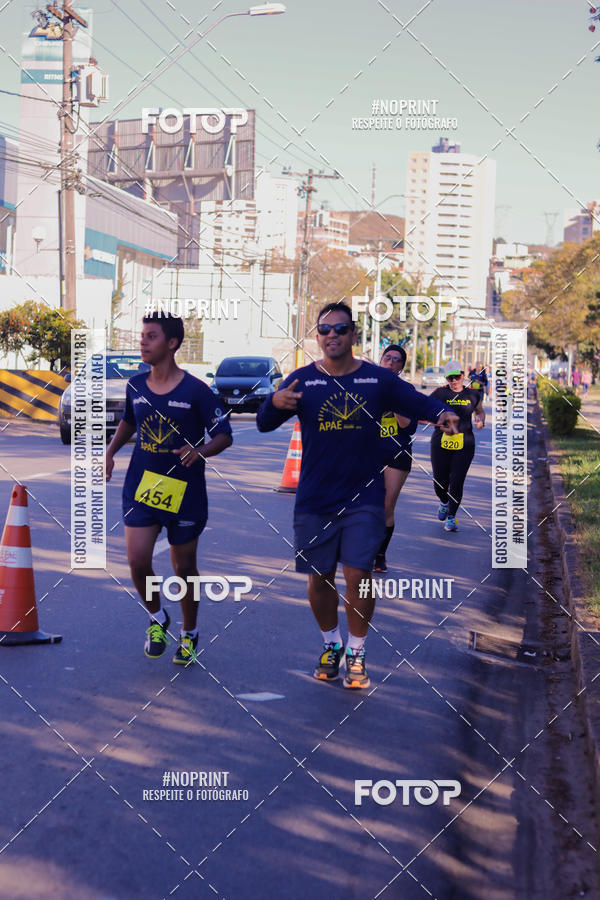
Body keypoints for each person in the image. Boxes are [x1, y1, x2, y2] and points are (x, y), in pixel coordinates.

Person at [256, 302, 458, 689]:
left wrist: (443, 413)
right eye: (324, 329)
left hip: (364, 496)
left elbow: (417, 401)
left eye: (340, 329)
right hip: (316, 499)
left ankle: (357, 651)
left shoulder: (376, 380)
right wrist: (272, 404)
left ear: (353, 335)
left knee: (359, 575)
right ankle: (331, 644)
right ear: (318, 336)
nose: (331, 335)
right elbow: (265, 423)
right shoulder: (300, 380)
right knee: (318, 579)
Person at [106, 312, 233, 664]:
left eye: (151, 336)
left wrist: (200, 451)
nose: (143, 342)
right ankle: (157, 616)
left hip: (185, 491)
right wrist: (110, 452)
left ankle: (189, 632)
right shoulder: (135, 385)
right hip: (143, 485)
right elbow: (129, 421)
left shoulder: (196, 391)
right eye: (142, 335)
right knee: (136, 560)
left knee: (184, 567)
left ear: (172, 343)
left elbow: (224, 435)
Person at [373, 344, 417, 572]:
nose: (390, 362)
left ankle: (379, 555)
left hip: (396, 455)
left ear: (401, 367)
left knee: (385, 506)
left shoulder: (406, 390)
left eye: (396, 360)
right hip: (368, 454)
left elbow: (409, 428)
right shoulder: (367, 386)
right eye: (387, 358)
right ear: (380, 360)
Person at [429, 360, 485, 533]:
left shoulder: (473, 395)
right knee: (440, 482)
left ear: (463, 375)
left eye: (457, 376)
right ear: (446, 378)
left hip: (465, 443)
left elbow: (480, 411)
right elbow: (426, 412)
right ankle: (444, 502)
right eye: (450, 378)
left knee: (457, 481)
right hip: (441, 442)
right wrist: (439, 424)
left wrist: (481, 420)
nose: (454, 381)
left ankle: (452, 517)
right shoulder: (439, 394)